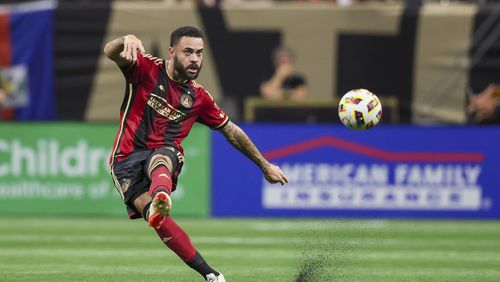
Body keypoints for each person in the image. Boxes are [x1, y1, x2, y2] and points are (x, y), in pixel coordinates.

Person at [104, 26, 288, 282]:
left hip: (163, 161)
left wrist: (264, 165)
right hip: (125, 161)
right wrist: (126, 39)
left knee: (164, 152)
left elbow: (232, 132)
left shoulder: (199, 98)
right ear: (171, 52)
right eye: (188, 51)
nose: (195, 59)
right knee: (157, 220)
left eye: (199, 53)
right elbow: (110, 52)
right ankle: (211, 273)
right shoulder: (145, 68)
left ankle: (161, 194)